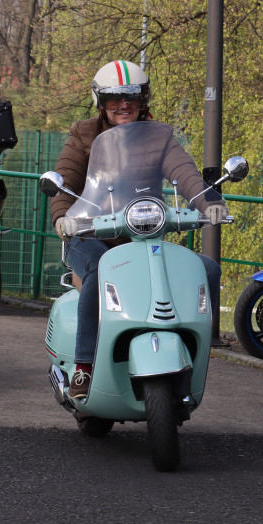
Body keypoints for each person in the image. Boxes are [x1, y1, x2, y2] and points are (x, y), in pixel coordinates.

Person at [50, 60, 229, 400]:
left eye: (133, 97)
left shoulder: (159, 135)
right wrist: (63, 218)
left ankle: (192, 355)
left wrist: (209, 202)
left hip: (144, 234)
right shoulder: (83, 133)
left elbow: (184, 172)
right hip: (91, 234)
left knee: (206, 269)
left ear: (144, 99)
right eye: (115, 97)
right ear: (100, 101)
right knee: (98, 270)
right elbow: (66, 181)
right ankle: (84, 368)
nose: (124, 104)